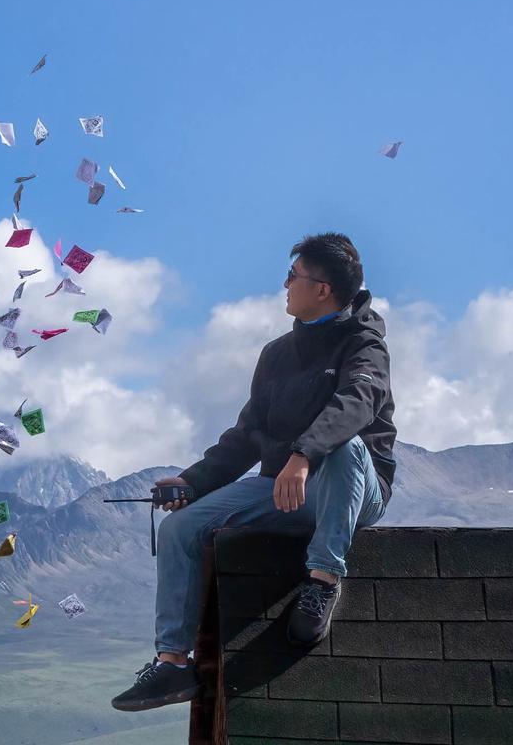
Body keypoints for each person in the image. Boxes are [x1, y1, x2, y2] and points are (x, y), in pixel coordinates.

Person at [111, 232, 397, 712]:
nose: (285, 284)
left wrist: (303, 455)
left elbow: (357, 404)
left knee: (346, 447)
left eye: (293, 276)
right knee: (182, 525)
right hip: (283, 489)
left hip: (349, 490)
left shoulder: (366, 343)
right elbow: (247, 435)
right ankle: (174, 664)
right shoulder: (276, 355)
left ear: (322, 288)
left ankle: (323, 581)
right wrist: (193, 481)